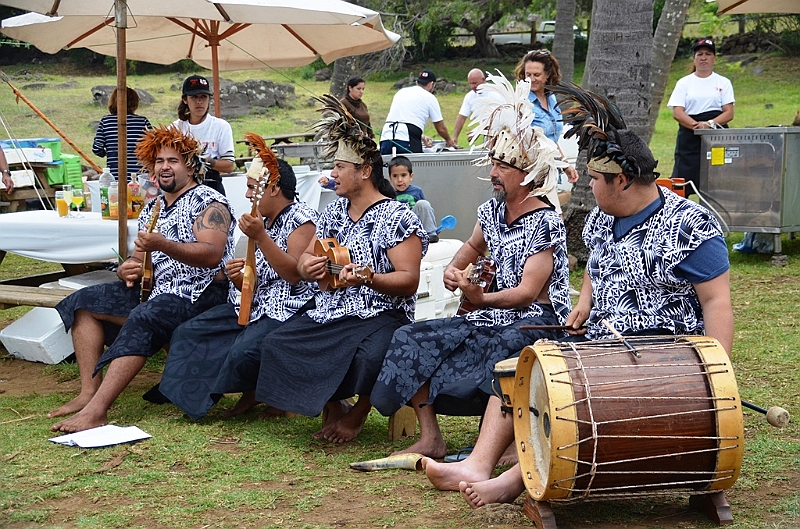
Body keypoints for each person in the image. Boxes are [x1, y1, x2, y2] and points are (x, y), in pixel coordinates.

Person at [422, 83, 734, 509]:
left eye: (593, 179)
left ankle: (514, 479)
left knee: (571, 395)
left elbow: (717, 302)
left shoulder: (691, 225)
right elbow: (596, 269)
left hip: (659, 353)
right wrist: (585, 301)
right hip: (598, 340)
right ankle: (478, 463)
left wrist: (717, 380)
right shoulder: (602, 221)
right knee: (522, 367)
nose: (586, 184)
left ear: (621, 180)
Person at [371, 71, 573, 459]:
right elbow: (466, 253)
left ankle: (506, 443)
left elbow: (529, 292)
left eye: (503, 167)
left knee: (502, 346)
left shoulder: (545, 220)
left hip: (537, 318)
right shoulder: (491, 212)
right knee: (411, 337)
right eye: (493, 163)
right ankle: (431, 436)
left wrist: (481, 297)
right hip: (490, 310)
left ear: (527, 175)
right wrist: (453, 274)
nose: (493, 173)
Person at [252, 95, 427, 443]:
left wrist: (370, 277)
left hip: (381, 312)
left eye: (339, 168)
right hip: (331, 310)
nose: (332, 174)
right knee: (276, 342)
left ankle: (358, 413)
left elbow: (409, 281)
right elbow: (304, 260)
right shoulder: (333, 211)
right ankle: (334, 406)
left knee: (370, 355)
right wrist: (310, 266)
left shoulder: (397, 216)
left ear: (364, 171)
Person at [49, 125, 236, 434]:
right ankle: (88, 392)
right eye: (159, 161)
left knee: (144, 316)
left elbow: (211, 253)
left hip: (201, 293)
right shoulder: (155, 205)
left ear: (190, 165)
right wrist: (128, 267)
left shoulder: (209, 202)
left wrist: (163, 244)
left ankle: (97, 411)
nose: (165, 167)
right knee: (82, 302)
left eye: (173, 160)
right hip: (159, 289)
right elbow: (140, 256)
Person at [158, 140, 318, 420]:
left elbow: (293, 273)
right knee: (190, 331)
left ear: (273, 189)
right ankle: (189, 397)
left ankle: (261, 393)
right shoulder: (264, 220)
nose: (246, 194)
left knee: (243, 352)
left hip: (289, 310)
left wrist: (261, 237)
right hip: (254, 305)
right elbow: (257, 277)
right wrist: (239, 277)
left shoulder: (302, 219)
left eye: (252, 187)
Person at [514, 50, 579, 215]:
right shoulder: (522, 102)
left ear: (548, 74)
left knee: (552, 221)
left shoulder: (551, 98)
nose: (531, 79)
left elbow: (550, 139)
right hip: (529, 175)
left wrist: (565, 165)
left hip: (550, 171)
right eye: (527, 74)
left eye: (537, 74)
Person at [667, 38, 735, 194]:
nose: (703, 57)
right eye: (700, 54)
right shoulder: (684, 83)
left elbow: (729, 112)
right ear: (694, 58)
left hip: (716, 136)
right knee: (683, 182)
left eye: (708, 54)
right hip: (689, 136)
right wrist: (696, 127)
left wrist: (709, 124)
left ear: (714, 58)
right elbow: (677, 112)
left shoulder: (723, 82)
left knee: (717, 180)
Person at [172, 75, 236, 196]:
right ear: (185, 100)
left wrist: (205, 161)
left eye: (203, 97)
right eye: (194, 97)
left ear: (209, 99)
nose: (199, 101)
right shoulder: (175, 128)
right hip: (182, 188)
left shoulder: (221, 126)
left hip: (212, 188)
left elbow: (229, 166)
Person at [379, 70, 456, 155]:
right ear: (431, 84)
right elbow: (440, 128)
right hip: (407, 139)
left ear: (417, 82)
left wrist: (421, 137)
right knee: (414, 166)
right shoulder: (430, 97)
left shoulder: (401, 92)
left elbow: (402, 119)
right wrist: (449, 140)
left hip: (386, 135)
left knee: (386, 167)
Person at [92, 87, 152, 179]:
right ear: (135, 103)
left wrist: (109, 153)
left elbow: (97, 148)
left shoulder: (106, 121)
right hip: (140, 176)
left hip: (114, 176)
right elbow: (154, 146)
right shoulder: (142, 121)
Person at [388, 155, 439, 242]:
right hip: (399, 226)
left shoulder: (416, 191)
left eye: (403, 175)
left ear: (411, 176)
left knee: (423, 204)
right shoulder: (389, 194)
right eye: (395, 176)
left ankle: (430, 233)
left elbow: (426, 211)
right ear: (390, 178)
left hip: (415, 223)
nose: (399, 180)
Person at [451, 68, 486, 145]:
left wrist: (479, 130)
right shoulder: (470, 96)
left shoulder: (495, 94)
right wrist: (455, 137)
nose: (472, 86)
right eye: (470, 83)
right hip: (487, 134)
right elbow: (461, 117)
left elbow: (498, 120)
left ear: (483, 80)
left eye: (475, 83)